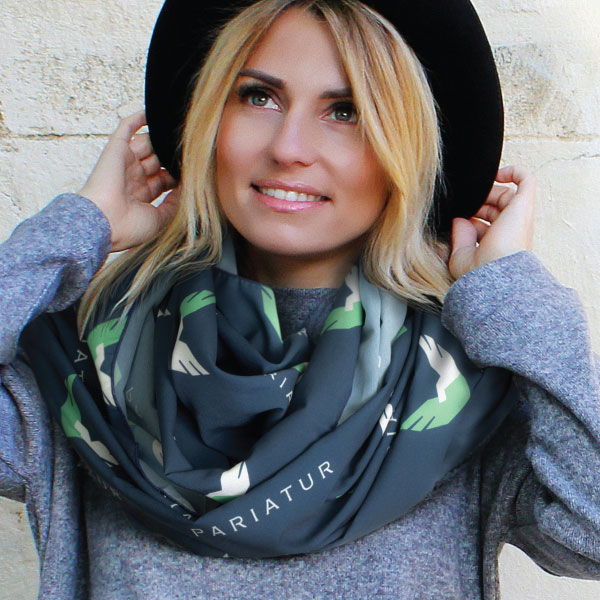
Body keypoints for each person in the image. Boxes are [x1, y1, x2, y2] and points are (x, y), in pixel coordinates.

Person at [1, 0, 599, 598]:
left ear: (406, 146)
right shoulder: (91, 365)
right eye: (258, 97)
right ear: (209, 119)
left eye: (345, 111)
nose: (288, 147)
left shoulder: (462, 378)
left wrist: (509, 292)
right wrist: (81, 226)